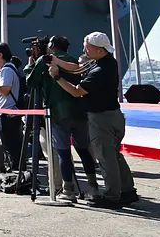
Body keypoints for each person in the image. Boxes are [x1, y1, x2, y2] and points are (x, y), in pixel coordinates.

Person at [49, 32, 138, 207]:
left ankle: (112, 196)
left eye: (88, 48)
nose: (84, 50)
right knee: (115, 155)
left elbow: (76, 91)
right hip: (114, 115)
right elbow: (77, 68)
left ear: (99, 50)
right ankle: (128, 190)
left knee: (105, 157)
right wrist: (58, 62)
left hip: (101, 118)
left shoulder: (98, 71)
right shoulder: (108, 63)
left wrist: (57, 77)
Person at [26, 35, 98, 202]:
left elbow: (31, 82)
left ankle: (68, 189)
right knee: (84, 151)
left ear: (51, 46)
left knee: (63, 153)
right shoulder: (75, 62)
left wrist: (31, 64)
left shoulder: (46, 61)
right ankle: (93, 187)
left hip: (58, 113)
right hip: (79, 112)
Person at [0, 42, 24, 172]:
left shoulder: (7, 70)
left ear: (0, 55)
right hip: (8, 112)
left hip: (8, 113)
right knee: (11, 146)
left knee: (11, 146)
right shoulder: (9, 69)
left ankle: (16, 173)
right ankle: (15, 172)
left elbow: (4, 90)